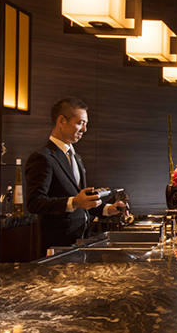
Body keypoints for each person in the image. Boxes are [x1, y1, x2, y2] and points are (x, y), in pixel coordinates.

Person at [25, 96, 127, 253]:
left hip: (81, 244)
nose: (84, 129)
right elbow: (34, 203)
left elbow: (82, 203)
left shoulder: (76, 157)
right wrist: (74, 202)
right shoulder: (42, 157)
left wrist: (109, 209)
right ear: (61, 121)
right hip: (57, 246)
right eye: (80, 123)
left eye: (86, 124)